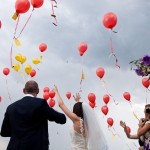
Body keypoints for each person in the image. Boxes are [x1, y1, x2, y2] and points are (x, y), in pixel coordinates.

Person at [0, 80, 66, 150]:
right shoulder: (40, 104)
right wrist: (53, 112)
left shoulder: (11, 107)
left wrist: (18, 132)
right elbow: (62, 119)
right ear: (37, 91)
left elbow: (4, 132)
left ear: (24, 90)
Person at [54, 86, 108, 150]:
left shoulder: (76, 120)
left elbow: (61, 104)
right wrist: (78, 102)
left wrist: (56, 92)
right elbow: (81, 110)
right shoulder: (87, 124)